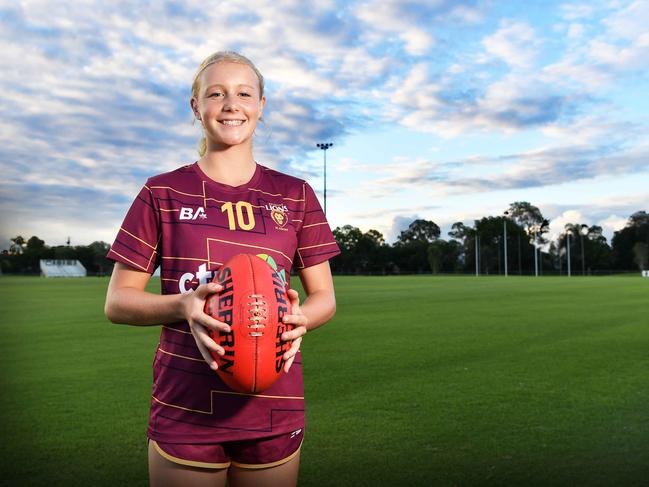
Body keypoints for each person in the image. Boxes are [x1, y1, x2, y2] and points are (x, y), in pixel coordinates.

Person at [104, 51, 340, 487]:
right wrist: (184, 306)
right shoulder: (162, 191)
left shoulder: (296, 194)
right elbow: (118, 302)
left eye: (244, 93)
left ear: (261, 106)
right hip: (186, 404)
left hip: (274, 401)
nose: (231, 104)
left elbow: (324, 298)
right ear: (196, 107)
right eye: (216, 93)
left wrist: (299, 318)